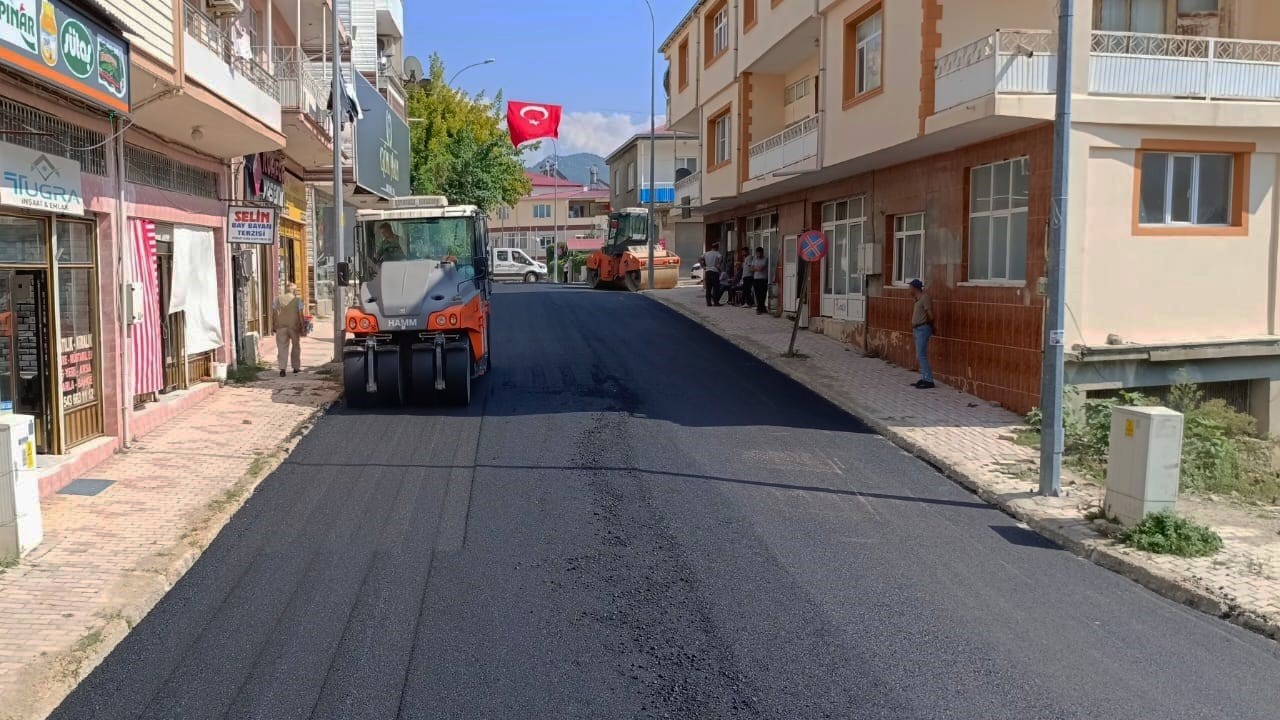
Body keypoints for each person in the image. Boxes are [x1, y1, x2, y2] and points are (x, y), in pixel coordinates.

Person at [272, 282, 304, 377]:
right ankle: (295, 367)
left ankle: (282, 369)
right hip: (293, 326)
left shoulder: (277, 299)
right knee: (296, 346)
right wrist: (302, 327)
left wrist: (273, 325)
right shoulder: (298, 300)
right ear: (294, 291)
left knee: (282, 347)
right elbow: (300, 315)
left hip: (281, 326)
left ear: (285, 290)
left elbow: (274, 313)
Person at [909, 278, 935, 389]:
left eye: (910, 287)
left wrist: (931, 326)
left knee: (921, 355)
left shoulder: (924, 298)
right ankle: (924, 378)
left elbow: (931, 315)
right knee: (919, 355)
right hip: (917, 329)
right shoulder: (917, 299)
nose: (909, 289)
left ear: (915, 288)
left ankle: (929, 380)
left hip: (923, 329)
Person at [749, 246, 769, 315]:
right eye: (757, 253)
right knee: (757, 294)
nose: (758, 254)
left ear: (762, 253)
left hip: (763, 279)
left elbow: (761, 269)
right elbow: (751, 269)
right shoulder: (754, 259)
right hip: (756, 279)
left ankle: (761, 307)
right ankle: (760, 308)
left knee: (763, 294)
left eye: (759, 253)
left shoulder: (765, 259)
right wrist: (756, 268)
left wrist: (755, 268)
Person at [702, 242, 723, 306]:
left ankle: (708, 303)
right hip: (714, 271)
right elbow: (720, 260)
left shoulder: (706, 253)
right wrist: (719, 267)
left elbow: (700, 259)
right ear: (717, 247)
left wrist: (703, 266)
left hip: (707, 272)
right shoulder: (718, 254)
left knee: (708, 288)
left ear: (711, 247)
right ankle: (716, 302)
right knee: (716, 288)